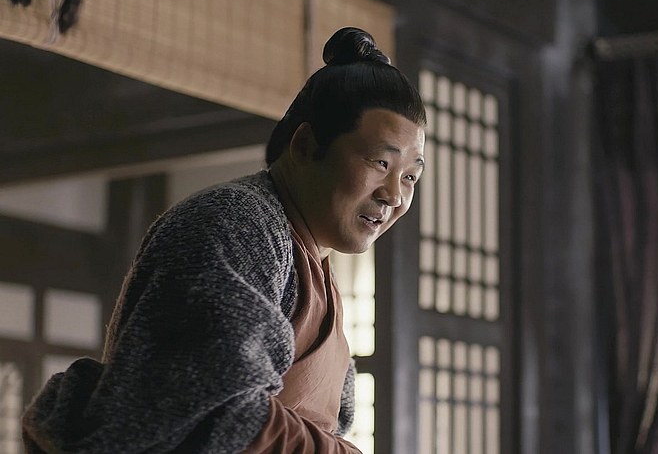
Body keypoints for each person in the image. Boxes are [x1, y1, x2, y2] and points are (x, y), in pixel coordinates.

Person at [21, 27, 426, 453]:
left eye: (410, 177)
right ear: (306, 146)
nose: (394, 195)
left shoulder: (317, 264)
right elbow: (212, 414)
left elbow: (323, 427)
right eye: (381, 163)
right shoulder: (236, 223)